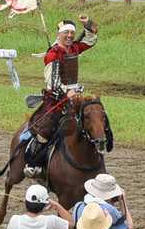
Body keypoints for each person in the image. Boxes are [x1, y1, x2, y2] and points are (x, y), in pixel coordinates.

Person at [23, 16, 99, 177]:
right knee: (47, 127)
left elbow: (91, 40)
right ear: (59, 35)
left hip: (75, 96)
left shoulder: (74, 48)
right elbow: (52, 82)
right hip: (56, 98)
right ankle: (33, 163)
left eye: (72, 32)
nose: (70, 35)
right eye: (66, 33)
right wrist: (67, 92)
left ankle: (99, 145)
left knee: (94, 115)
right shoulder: (52, 54)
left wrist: (87, 24)